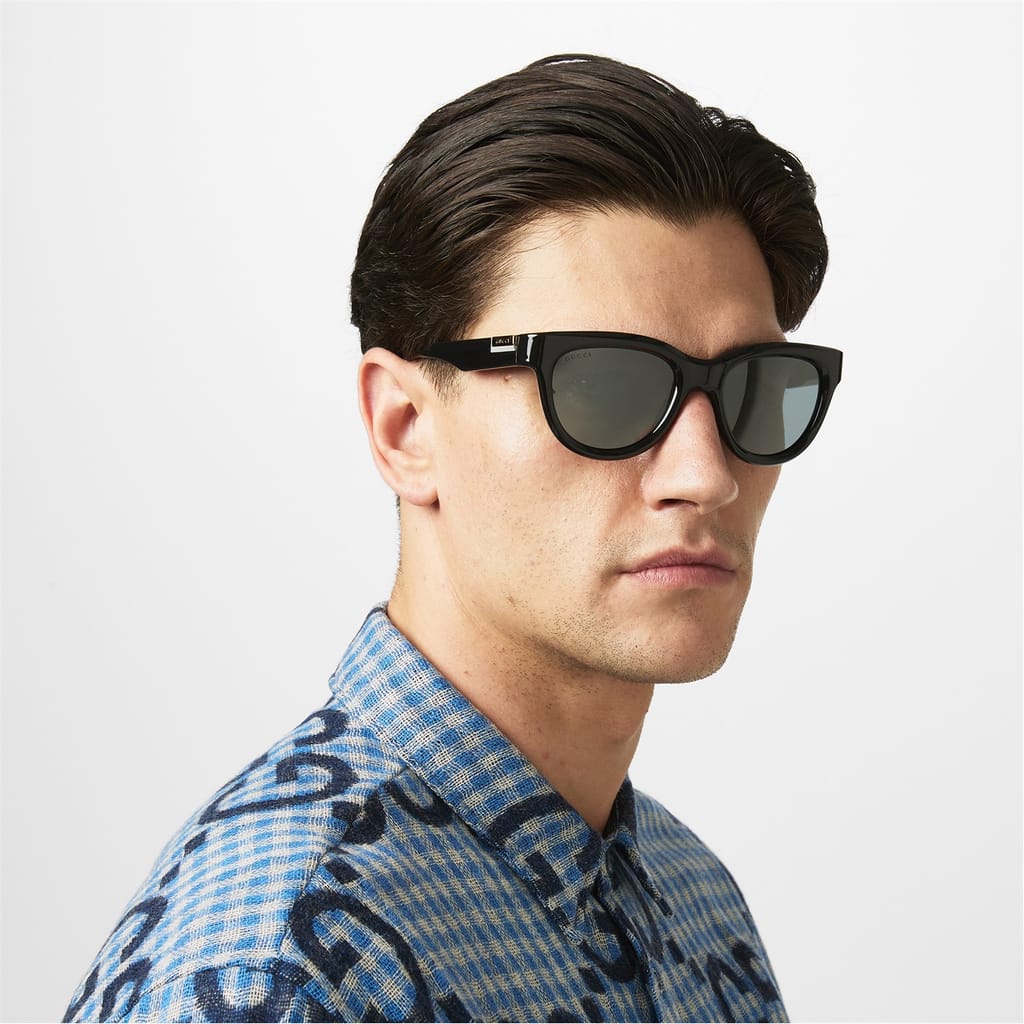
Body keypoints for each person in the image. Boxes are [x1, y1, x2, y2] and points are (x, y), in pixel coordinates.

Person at [64, 53, 841, 1022]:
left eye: (753, 389)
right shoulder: (278, 974)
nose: (707, 472)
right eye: (603, 385)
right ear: (404, 428)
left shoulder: (693, 902)